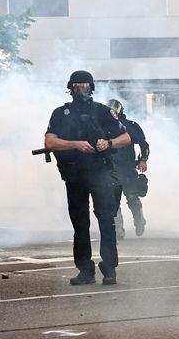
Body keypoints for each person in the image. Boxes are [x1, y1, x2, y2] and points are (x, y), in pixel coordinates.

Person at [44, 70, 131, 285]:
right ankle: (85, 270)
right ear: (69, 88)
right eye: (76, 86)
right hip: (74, 176)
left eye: (84, 86)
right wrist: (75, 144)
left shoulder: (103, 111)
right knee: (80, 224)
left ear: (91, 88)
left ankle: (109, 269)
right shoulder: (60, 113)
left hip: (100, 173)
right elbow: (50, 142)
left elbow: (126, 138)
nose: (80, 90)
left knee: (106, 221)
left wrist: (108, 143)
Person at [106, 99, 149, 239]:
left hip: (128, 168)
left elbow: (144, 144)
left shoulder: (130, 126)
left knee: (132, 197)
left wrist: (143, 159)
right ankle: (118, 230)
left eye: (114, 111)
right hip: (110, 168)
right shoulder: (102, 126)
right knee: (112, 201)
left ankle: (139, 220)